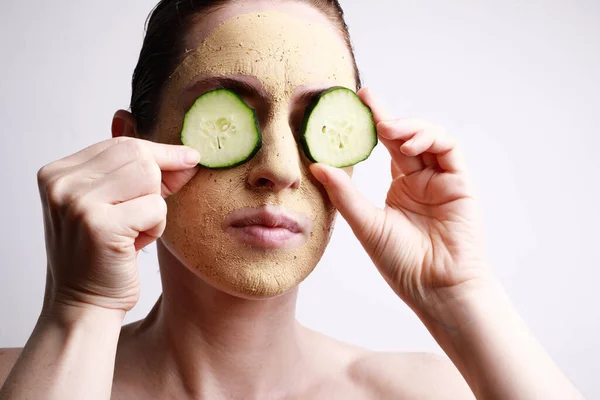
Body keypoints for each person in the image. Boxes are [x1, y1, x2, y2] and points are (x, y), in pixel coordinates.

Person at [0, 0, 584, 399]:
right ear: (133, 146)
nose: (279, 169)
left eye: (315, 123)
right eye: (229, 114)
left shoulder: (431, 393)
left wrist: (460, 294)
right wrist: (82, 309)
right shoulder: (20, 381)